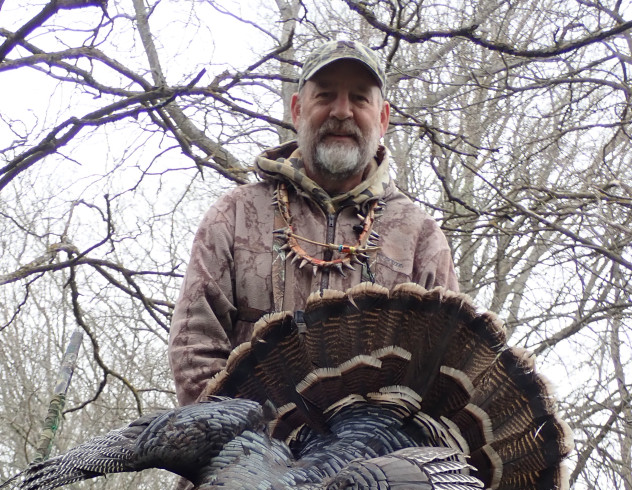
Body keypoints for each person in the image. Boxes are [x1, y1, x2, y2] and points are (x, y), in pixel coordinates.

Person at [168, 39, 458, 406]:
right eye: (325, 96)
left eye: (359, 98)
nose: (342, 111)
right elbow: (196, 348)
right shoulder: (236, 215)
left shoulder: (421, 237)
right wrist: (236, 452)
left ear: (382, 118)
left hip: (378, 458)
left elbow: (443, 367)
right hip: (246, 454)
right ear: (298, 110)